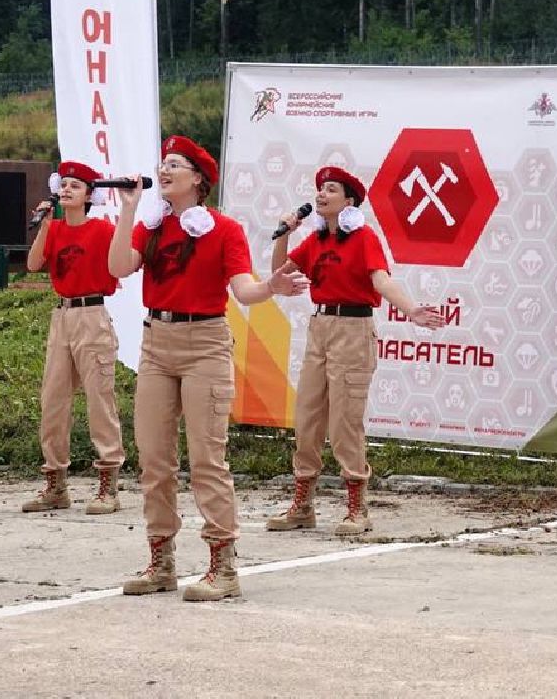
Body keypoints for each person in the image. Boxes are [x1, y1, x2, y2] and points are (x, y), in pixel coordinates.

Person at [108, 135, 308, 603]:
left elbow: (245, 291)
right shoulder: (151, 226)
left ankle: (223, 565)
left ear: (198, 179)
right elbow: (118, 267)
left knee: (206, 460)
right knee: (155, 461)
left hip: (205, 345)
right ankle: (161, 562)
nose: (164, 170)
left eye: (174, 164)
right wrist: (127, 209)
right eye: (162, 164)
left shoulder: (223, 229)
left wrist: (273, 285)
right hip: (156, 342)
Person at [266, 166, 444, 536]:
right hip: (320, 329)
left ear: (348, 200)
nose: (321, 194)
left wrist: (410, 310)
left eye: (330, 189)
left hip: (353, 328)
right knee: (308, 417)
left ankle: (357, 507)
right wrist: (285, 233)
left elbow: (381, 279)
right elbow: (278, 275)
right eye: (319, 189)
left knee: (345, 420)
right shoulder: (314, 241)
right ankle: (302, 505)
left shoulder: (363, 238)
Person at [20, 161, 125, 516]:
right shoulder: (54, 228)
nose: (66, 190)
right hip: (62, 315)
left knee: (100, 401)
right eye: (62, 185)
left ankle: (108, 484)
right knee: (53, 401)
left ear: (89, 195)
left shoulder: (102, 230)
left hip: (92, 314)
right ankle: (55, 484)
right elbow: (34, 264)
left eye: (75, 186)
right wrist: (45, 223)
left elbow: (118, 265)